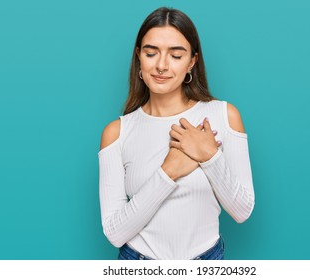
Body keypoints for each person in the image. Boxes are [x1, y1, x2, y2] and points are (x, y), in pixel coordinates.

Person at [98, 7, 255, 260]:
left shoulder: (223, 116)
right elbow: (115, 233)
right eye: (151, 53)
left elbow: (242, 210)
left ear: (192, 61)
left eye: (176, 55)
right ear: (139, 57)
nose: (161, 65)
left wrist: (209, 156)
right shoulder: (117, 133)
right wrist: (168, 171)